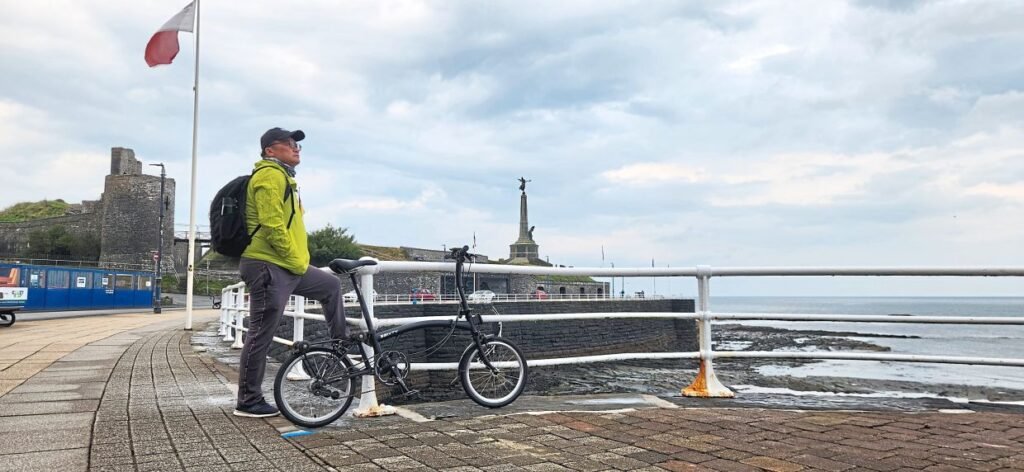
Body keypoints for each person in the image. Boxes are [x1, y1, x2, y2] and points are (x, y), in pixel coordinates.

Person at [234, 127, 348, 418]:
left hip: (285, 265)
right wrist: (295, 261)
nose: (296, 148)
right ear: (270, 150)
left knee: (330, 285)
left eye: (297, 144)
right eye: (288, 143)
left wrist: (296, 262)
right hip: (267, 265)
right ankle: (248, 400)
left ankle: (340, 348)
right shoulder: (269, 175)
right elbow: (272, 226)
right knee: (261, 333)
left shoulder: (285, 178)